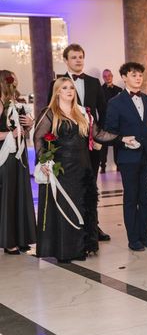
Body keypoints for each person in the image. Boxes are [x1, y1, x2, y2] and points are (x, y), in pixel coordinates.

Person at [34, 78, 135, 263]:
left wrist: (121, 139)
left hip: (83, 167)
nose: (69, 91)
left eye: (71, 88)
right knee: (65, 208)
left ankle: (80, 247)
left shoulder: (82, 112)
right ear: (57, 92)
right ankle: (65, 250)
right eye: (64, 88)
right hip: (61, 168)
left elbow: (98, 134)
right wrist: (44, 161)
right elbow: (39, 138)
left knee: (83, 207)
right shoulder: (49, 113)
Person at [47, 43, 110, 242]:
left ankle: (93, 226)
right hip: (68, 146)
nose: (78, 60)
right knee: (71, 185)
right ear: (66, 60)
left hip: (91, 143)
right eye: (74, 57)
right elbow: (51, 114)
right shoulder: (57, 83)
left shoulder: (93, 82)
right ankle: (72, 226)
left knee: (91, 186)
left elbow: (103, 111)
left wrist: (99, 137)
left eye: (81, 57)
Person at [105, 62, 147, 252]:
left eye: (140, 75)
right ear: (124, 77)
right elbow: (109, 131)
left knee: (146, 197)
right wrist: (122, 140)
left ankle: (145, 235)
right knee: (131, 198)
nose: (138, 78)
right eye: (133, 75)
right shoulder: (115, 102)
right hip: (128, 157)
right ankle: (133, 238)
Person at [0, 70, 36, 255]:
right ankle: (8, 241)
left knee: (21, 194)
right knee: (8, 195)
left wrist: (28, 125)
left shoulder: (16, 103)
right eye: (12, 79)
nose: (15, 82)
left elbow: (22, 131)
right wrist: (11, 134)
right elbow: (9, 133)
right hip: (5, 156)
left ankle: (21, 237)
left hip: (20, 156)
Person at [100, 68, 122, 173]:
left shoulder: (119, 90)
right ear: (103, 78)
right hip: (104, 121)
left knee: (117, 144)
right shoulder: (100, 90)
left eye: (109, 75)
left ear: (112, 76)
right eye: (105, 76)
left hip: (117, 121)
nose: (107, 78)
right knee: (103, 145)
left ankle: (118, 165)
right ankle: (103, 166)